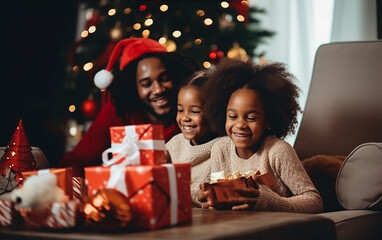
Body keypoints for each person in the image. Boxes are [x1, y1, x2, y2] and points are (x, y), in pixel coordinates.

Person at [58, 38, 199, 177]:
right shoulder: (119, 112)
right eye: (146, 84)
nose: (158, 90)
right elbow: (76, 160)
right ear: (133, 87)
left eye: (164, 79)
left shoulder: (190, 109)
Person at [198, 58, 323, 213]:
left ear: (268, 121)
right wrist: (212, 199)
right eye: (232, 116)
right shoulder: (220, 149)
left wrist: (270, 202)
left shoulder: (277, 151)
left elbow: (314, 201)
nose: (240, 125)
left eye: (251, 118)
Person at [166, 70, 220, 207]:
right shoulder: (174, 144)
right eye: (180, 110)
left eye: (194, 111)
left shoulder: (223, 147)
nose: (184, 118)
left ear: (213, 112)